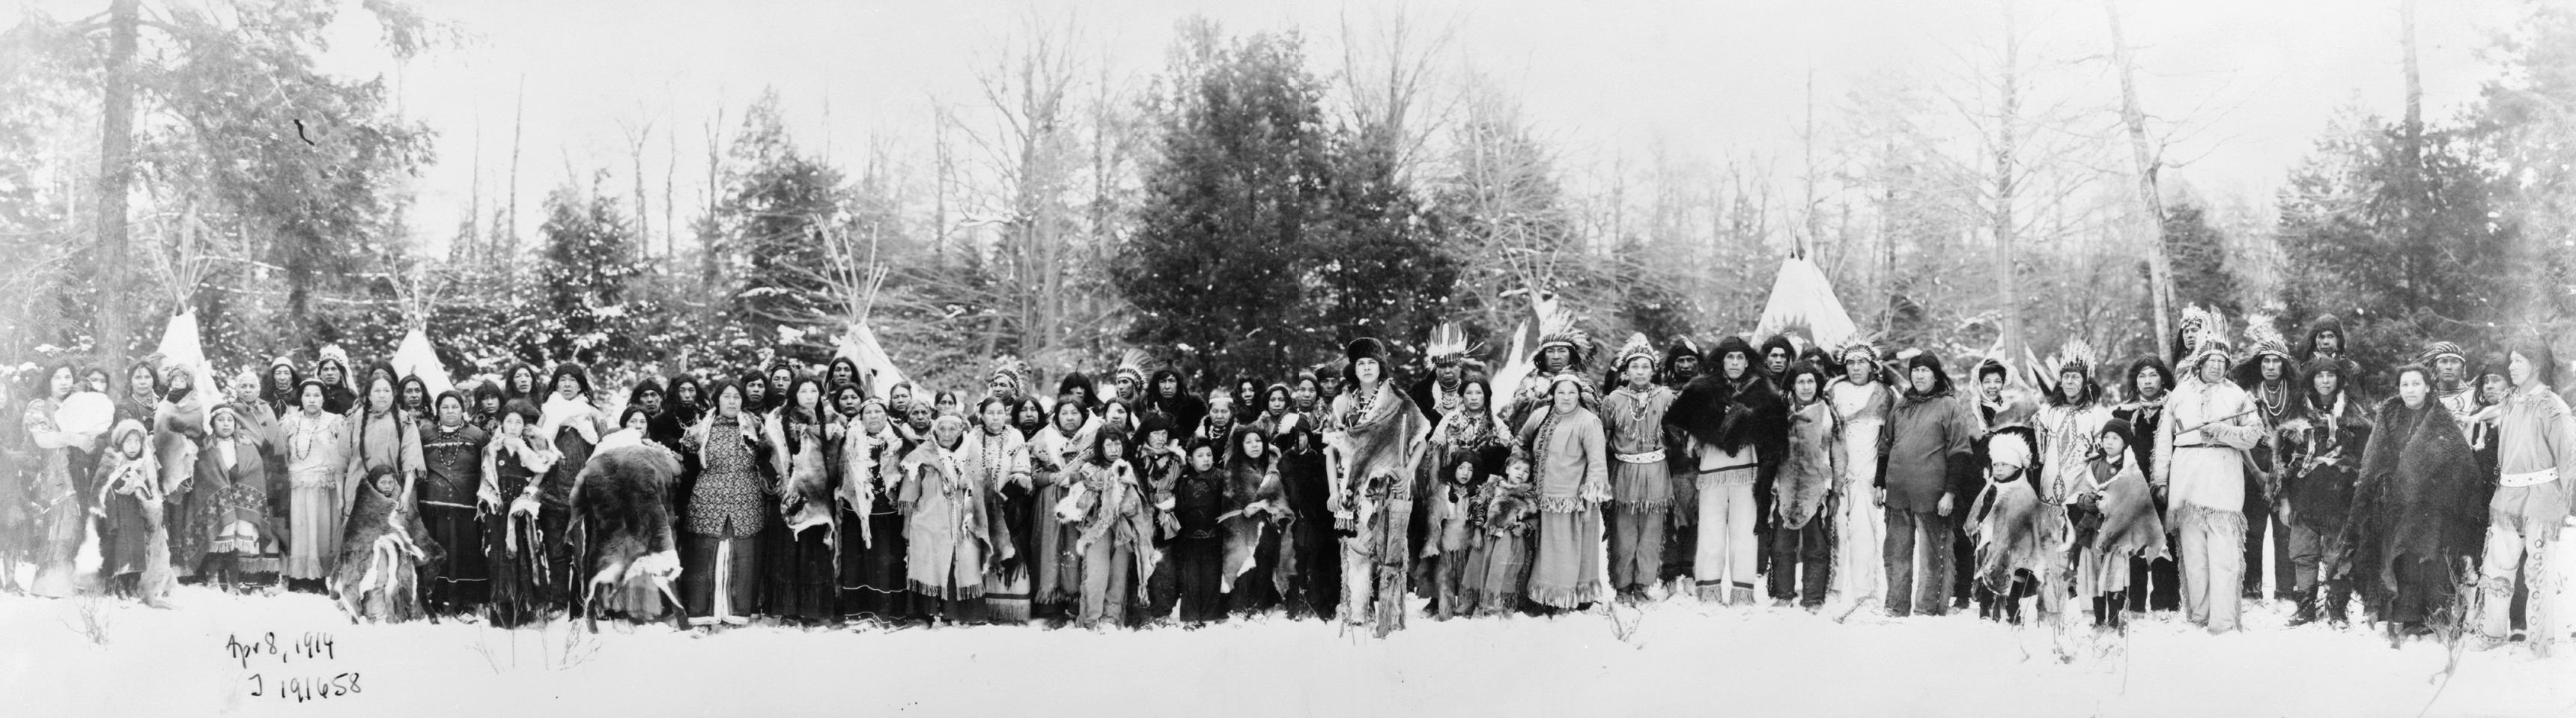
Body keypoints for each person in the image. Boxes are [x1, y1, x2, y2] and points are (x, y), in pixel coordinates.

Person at [2351, 364, 2488, 640]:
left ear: (2428, 387)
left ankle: (2434, 615)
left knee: (2428, 557)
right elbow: (2374, 456)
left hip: (2431, 503)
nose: (2410, 390)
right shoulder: (2388, 416)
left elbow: (2459, 461)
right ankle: (2405, 615)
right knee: (2402, 558)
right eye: (2404, 385)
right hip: (2395, 500)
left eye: (2416, 384)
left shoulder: (2440, 419)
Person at [2157, 311, 2264, 633]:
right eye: (2211, 361)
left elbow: (2254, 433)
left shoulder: (2237, 395)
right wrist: (2161, 478)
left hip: (2223, 480)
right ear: (2199, 363)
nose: (2216, 366)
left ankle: (2223, 620)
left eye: (2222, 361)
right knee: (2194, 556)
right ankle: (2199, 615)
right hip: (2187, 481)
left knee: (2224, 555)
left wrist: (2223, 432)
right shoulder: (2179, 394)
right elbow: (2165, 440)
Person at [1665, 335, 1787, 605]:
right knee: (1710, 533)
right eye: (1729, 357)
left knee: (1744, 533)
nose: (1734, 362)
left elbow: (1775, 433)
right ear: (1721, 361)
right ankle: (1709, 590)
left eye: (1740, 357)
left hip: (1747, 471)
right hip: (1711, 471)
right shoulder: (1702, 388)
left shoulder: (1762, 391)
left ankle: (1743, 593)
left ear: (1748, 362)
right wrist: (1697, 435)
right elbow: (1674, 421)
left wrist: (1747, 422)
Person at [1326, 337, 1430, 636]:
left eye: (1372, 362)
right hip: (1352, 491)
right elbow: (1331, 450)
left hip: (1389, 490)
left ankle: (1389, 615)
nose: (1367, 368)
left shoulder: (1399, 401)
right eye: (1361, 363)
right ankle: (1358, 613)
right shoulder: (1343, 403)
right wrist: (1334, 492)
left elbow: (1421, 438)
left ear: (1381, 367)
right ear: (1354, 369)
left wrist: (1407, 472)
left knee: (1390, 554)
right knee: (1357, 552)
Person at [2470, 341, 2572, 650]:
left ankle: (2540, 642)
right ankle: (2491, 635)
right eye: (2511, 361)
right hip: (2507, 496)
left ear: (2537, 365)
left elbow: (2568, 456)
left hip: (2542, 497)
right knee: (2498, 567)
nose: (2511, 367)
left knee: (2538, 572)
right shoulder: (2510, 401)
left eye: (2519, 361)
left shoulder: (2553, 406)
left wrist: (2565, 499)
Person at [1877, 351, 1980, 617]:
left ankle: (1927, 608)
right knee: (1895, 554)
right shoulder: (1902, 405)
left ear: (1936, 375)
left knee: (1932, 557)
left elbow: (1960, 452)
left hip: (1933, 496)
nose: (1919, 375)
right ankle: (1896, 606)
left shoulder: (1948, 405)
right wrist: (1879, 483)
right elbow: (1885, 447)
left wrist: (1950, 493)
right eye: (1915, 370)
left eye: (1925, 371)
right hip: (1898, 494)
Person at [335, 374, 432, 621]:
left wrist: (406, 495)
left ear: (393, 395)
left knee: (391, 551)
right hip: (358, 492)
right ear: (367, 395)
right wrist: (341, 498)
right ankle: (354, 603)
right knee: (359, 550)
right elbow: (341, 464)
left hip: (393, 494)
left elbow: (411, 464)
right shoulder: (354, 420)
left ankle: (387, 608)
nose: (381, 395)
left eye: (386, 391)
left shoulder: (404, 421)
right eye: (376, 391)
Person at [1512, 374, 1609, 613]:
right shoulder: (1540, 416)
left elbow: (1597, 462)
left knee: (1570, 550)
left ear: (1580, 395)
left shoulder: (1588, 421)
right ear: (1552, 394)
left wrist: (1589, 499)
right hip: (1542, 497)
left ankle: (1567, 599)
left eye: (1572, 393)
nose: (1566, 398)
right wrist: (1520, 467)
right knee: (1547, 551)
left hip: (1574, 499)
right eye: (1561, 392)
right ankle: (1544, 596)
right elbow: (1521, 442)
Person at [2283, 356, 2368, 627]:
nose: (2325, 381)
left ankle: (2338, 610)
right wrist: (2285, 500)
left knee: (2338, 554)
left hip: (2339, 496)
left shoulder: (2354, 414)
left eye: (2331, 375)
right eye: (2320, 376)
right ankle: (2306, 608)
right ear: (2311, 380)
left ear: (2339, 379)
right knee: (2303, 553)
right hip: (2304, 495)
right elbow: (2283, 461)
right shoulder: (2297, 413)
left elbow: (2366, 457)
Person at [2032, 343, 2110, 625]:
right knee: (2053, 557)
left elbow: (2110, 454)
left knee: (2086, 556)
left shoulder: (2098, 415)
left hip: (2082, 498)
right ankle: (2051, 614)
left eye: (2075, 377)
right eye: (2065, 377)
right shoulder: (2047, 413)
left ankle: (2091, 613)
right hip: (2050, 498)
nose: (2069, 382)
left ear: (2086, 381)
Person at [1600, 335, 1677, 603]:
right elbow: (1605, 439)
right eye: (1635, 366)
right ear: (1626, 370)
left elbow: (1678, 434)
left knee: (1651, 534)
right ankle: (1622, 589)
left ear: (1654, 370)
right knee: (1624, 534)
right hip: (1625, 472)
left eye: (1645, 366)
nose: (1640, 372)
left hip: (1656, 471)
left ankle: (1643, 587)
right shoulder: (1614, 399)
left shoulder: (1666, 397)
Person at [679, 382, 764, 627]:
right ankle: (702, 615)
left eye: (737, 397)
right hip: (709, 499)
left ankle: (736, 614)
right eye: (727, 397)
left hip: (744, 498)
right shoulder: (700, 431)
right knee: (705, 555)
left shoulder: (755, 427)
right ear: (718, 400)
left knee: (742, 555)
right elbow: (688, 466)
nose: (732, 402)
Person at [901, 413, 997, 625]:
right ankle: (929, 613)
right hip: (929, 520)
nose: (946, 434)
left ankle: (964, 613)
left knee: (966, 563)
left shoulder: (971, 455)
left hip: (964, 521)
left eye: (952, 429)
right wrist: (907, 527)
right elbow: (908, 496)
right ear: (934, 431)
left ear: (961, 431)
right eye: (942, 429)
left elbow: (982, 489)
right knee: (931, 564)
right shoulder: (921, 455)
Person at [1419, 376, 1504, 618]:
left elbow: (1507, 450)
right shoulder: (1451, 420)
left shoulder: (1494, 423)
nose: (1474, 398)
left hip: (1481, 490)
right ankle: (1439, 599)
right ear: (1462, 396)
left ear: (1486, 397)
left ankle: (1474, 598)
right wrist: (1435, 486)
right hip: (1451, 486)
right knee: (1443, 541)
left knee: (1475, 543)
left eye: (1479, 393)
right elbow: (1434, 451)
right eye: (1469, 393)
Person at [765, 374, 840, 624]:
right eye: (804, 391)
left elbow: (835, 456)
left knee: (814, 553)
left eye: (814, 391)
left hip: (820, 494)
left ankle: (814, 611)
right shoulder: (780, 419)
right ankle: (789, 611)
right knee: (790, 553)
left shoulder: (830, 420)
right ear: (794, 394)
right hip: (791, 493)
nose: (810, 396)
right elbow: (776, 453)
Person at [1825, 342, 1893, 615]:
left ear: (1872, 366)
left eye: (1861, 363)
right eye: (1851, 363)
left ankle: (1864, 593)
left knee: (1864, 534)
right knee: (1836, 532)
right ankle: (1833, 589)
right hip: (1836, 474)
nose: (1856, 368)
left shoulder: (1884, 394)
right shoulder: (1833, 391)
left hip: (1868, 473)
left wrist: (1881, 481)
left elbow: (1889, 440)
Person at [1062, 428, 1154, 628]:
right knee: (1096, 575)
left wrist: (1126, 500)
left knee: (1118, 575)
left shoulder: (1127, 469)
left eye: (1118, 444)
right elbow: (1078, 501)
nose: (1114, 449)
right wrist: (1103, 495)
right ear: (1100, 446)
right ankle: (1090, 621)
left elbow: (1137, 503)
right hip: (1097, 529)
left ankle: (1111, 619)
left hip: (1123, 530)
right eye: (1109, 445)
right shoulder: (1088, 469)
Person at [2113, 356, 2183, 613]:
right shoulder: (2123, 412)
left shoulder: (2176, 407)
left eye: (2153, 375)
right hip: (2134, 491)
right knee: (2135, 549)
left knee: (2166, 546)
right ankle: (2134, 606)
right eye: (2142, 376)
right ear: (2135, 381)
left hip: (2167, 488)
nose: (2148, 381)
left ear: (2163, 378)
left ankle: (2166, 604)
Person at [836, 396, 914, 623]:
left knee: (886, 564)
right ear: (862, 417)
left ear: (886, 415)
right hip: (857, 514)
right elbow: (840, 473)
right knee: (858, 564)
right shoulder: (851, 440)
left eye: (878, 411)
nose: (873, 416)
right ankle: (858, 613)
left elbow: (913, 473)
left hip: (889, 515)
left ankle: (888, 614)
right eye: (868, 412)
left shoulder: (899, 440)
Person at [2235, 323, 2299, 601]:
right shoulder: (2247, 394)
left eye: (2276, 361)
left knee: (2285, 528)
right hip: (2255, 463)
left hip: (2287, 462)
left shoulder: (2296, 394)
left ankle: (2286, 590)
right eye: (2266, 362)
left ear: (2284, 365)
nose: (2271, 367)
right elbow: (2241, 436)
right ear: (2259, 365)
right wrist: (2255, 470)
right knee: (2253, 528)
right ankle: (2251, 589)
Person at [478, 401, 555, 627]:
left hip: (522, 513)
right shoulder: (492, 451)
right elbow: (485, 481)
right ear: (501, 424)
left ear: (523, 427)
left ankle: (528, 611)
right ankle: (503, 613)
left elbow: (541, 479)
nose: (513, 426)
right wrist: (491, 499)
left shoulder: (529, 451)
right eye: (509, 422)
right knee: (500, 558)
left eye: (518, 423)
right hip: (499, 512)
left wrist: (528, 498)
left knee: (527, 556)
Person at [1771, 361, 1839, 609]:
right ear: (1793, 384)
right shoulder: (1782, 412)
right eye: (1801, 381)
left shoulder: (1827, 413)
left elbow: (1835, 451)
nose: (1806, 386)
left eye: (1811, 381)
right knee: (1782, 544)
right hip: (1785, 485)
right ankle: (1783, 595)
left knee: (1816, 545)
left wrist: (1834, 488)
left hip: (1816, 486)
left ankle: (1812, 598)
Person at [961, 397, 1033, 624]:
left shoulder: (1014, 436)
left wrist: (1001, 497)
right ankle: (989, 609)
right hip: (980, 502)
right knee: (982, 552)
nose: (996, 418)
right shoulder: (972, 437)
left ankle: (1013, 609)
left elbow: (1021, 471)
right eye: (990, 413)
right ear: (981, 415)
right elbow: (966, 469)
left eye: (1000, 413)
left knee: (1009, 551)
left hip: (1008, 503)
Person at [416, 391, 488, 615]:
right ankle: (436, 602)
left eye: (455, 407)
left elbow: (489, 468)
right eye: (445, 407)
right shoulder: (425, 433)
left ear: (463, 409)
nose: (450, 411)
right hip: (433, 507)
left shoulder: (477, 435)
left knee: (465, 554)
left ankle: (466, 605)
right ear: (438, 410)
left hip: (466, 508)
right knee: (437, 554)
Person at [279, 379, 347, 591]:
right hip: (298, 485)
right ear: (300, 398)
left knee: (322, 530)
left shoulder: (335, 421)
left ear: (324, 398)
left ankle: (319, 579)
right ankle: (298, 578)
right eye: (307, 395)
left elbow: (344, 453)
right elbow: (281, 453)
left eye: (317, 395)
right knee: (299, 530)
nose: (312, 399)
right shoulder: (289, 422)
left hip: (325, 486)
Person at [1170, 439, 1230, 624]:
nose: (1206, 460)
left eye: (1209, 455)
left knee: (1211, 578)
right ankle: (1191, 617)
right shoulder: (1184, 480)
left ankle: (1211, 616)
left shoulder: (1220, 477)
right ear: (1189, 459)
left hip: (1214, 537)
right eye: (1200, 456)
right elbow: (1180, 508)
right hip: (1190, 539)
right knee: (1191, 580)